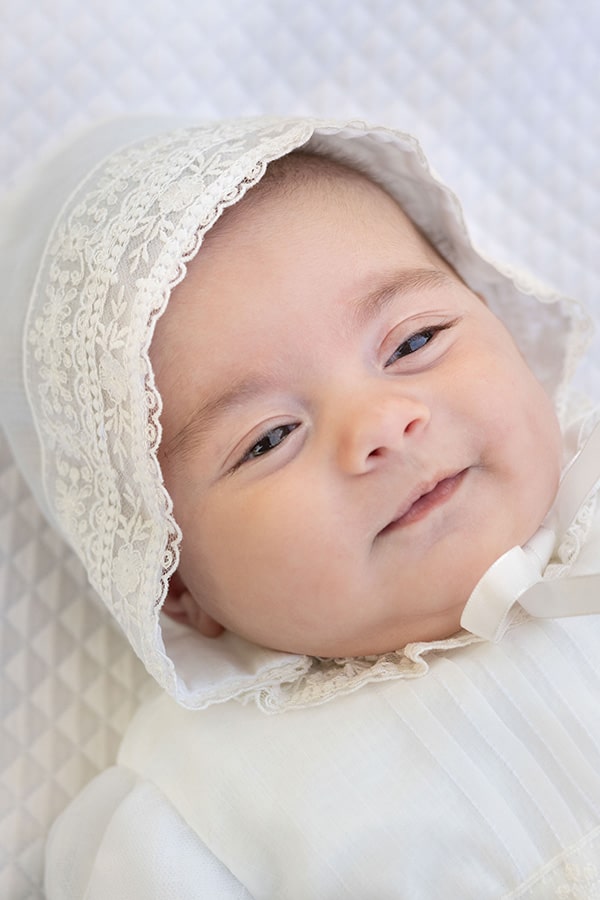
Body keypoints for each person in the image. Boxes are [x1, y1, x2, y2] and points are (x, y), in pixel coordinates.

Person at [1, 115, 599, 899]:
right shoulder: (200, 812)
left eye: (413, 343)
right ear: (171, 583)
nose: (383, 425)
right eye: (271, 437)